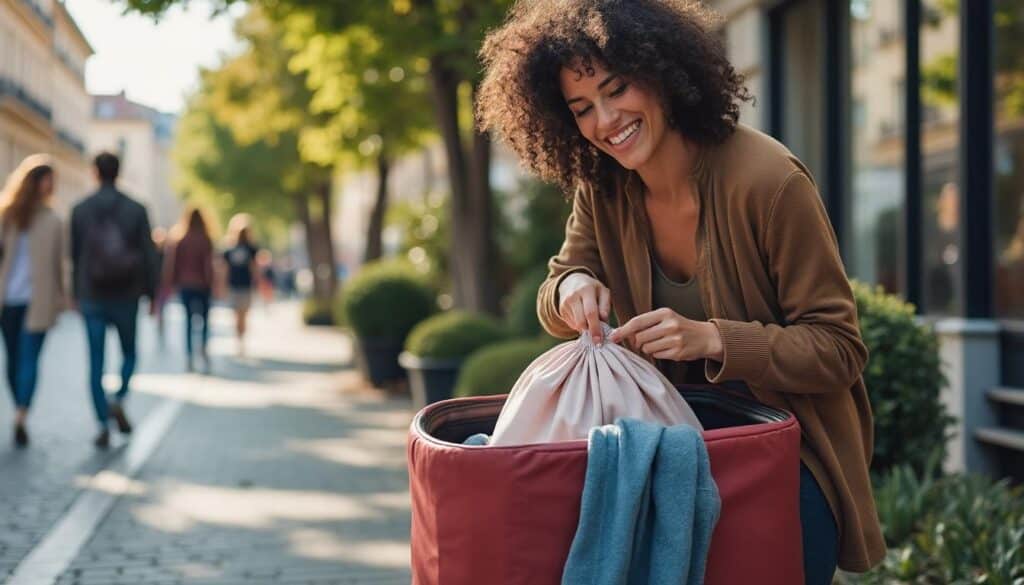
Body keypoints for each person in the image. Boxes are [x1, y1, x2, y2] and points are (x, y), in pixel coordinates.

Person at [476, 1, 884, 582]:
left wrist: (714, 339)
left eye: (617, 90)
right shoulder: (602, 187)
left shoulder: (770, 181)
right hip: (670, 451)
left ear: (661, 72)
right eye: (582, 108)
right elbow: (557, 284)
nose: (606, 120)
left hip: (786, 456)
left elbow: (840, 349)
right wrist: (573, 285)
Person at [70, 152, 158, 449]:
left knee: (95, 362)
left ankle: (101, 421)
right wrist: (154, 294)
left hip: (91, 294)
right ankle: (118, 398)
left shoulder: (81, 210)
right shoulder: (136, 209)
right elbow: (149, 254)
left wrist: (74, 294)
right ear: (118, 172)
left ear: (95, 172)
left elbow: (74, 256)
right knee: (129, 353)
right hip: (127, 294)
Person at [0, 155, 65, 447]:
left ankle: (22, 414)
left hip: (38, 301)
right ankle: (19, 407)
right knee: (13, 361)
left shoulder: (54, 220)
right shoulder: (7, 215)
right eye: (48, 179)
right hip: (8, 300)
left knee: (30, 360)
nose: (52, 186)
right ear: (34, 181)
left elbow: (61, 264)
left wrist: (63, 298)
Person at [163, 208, 214, 374]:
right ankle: (203, 350)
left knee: (188, 321)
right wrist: (212, 283)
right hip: (202, 285)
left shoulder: (181, 239)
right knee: (204, 321)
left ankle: (189, 355)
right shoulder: (205, 239)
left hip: (185, 285)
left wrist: (170, 284)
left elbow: (172, 265)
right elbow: (209, 264)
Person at [221, 213, 258, 356]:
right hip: (235, 285)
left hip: (245, 285)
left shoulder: (251, 248)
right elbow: (224, 269)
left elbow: (254, 267)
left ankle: (241, 338)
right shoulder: (229, 249)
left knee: (243, 314)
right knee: (238, 314)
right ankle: (239, 338)